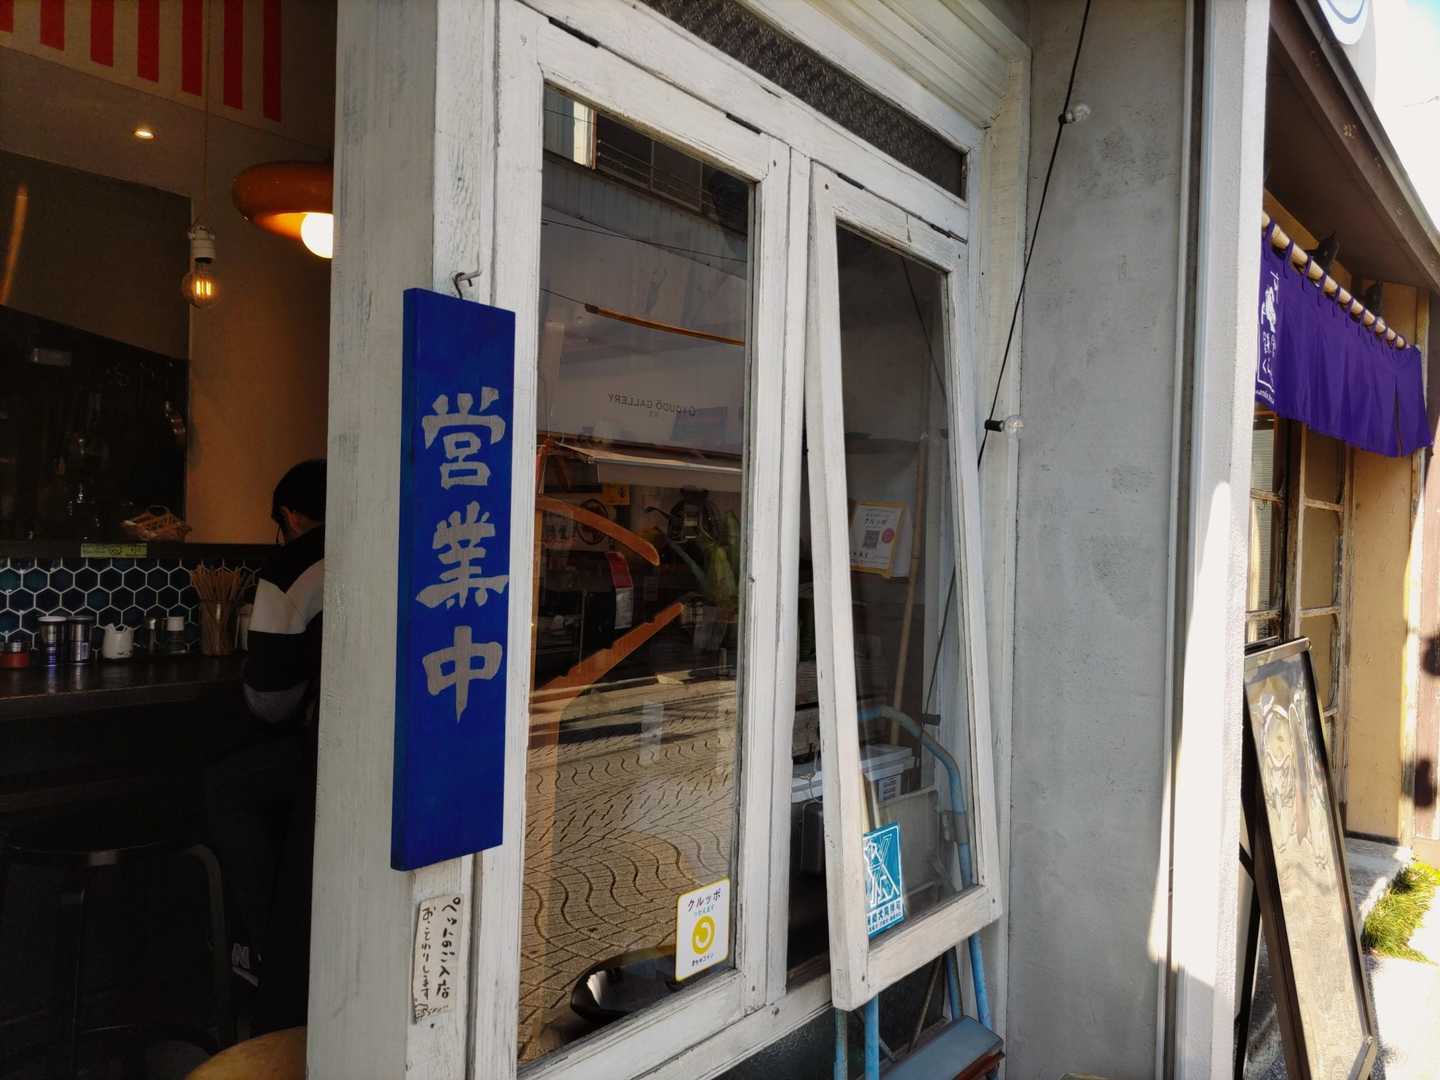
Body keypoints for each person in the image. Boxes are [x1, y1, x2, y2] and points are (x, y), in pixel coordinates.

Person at [205, 459, 325, 1034]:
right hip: (392, 755)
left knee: (226, 787)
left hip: (328, 753)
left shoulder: (291, 565)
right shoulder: (390, 542)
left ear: (291, 516)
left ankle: (264, 947)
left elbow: (271, 703)